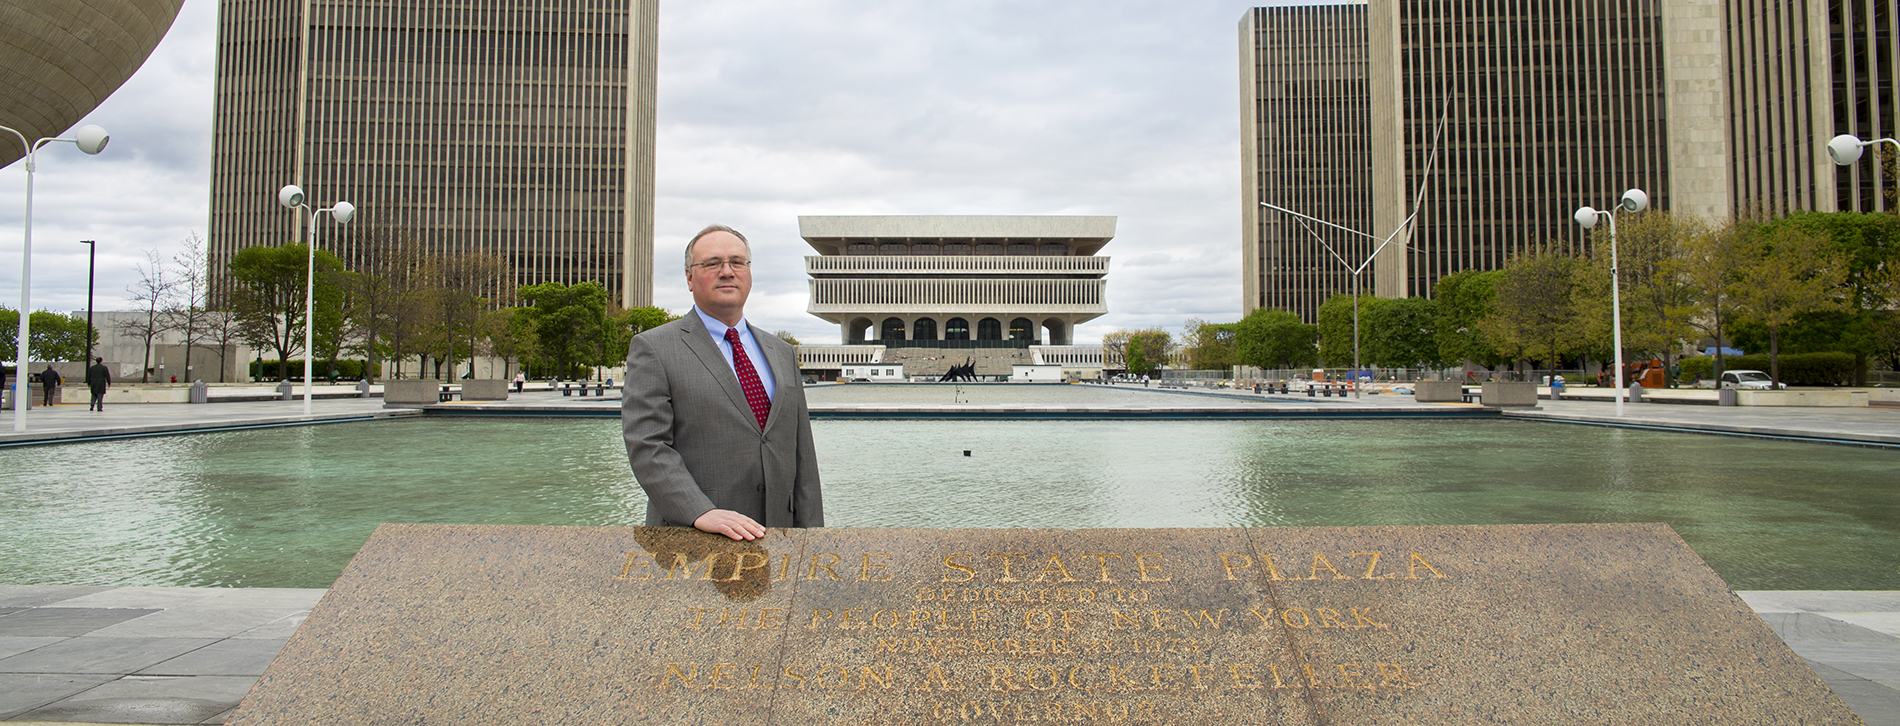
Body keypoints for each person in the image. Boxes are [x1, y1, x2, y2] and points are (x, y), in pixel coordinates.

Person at [621, 224, 823, 541]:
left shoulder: (780, 352)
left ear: (749, 273)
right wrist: (699, 512)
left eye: (737, 262)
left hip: (779, 538)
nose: (727, 272)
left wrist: (813, 539)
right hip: (693, 538)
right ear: (689, 277)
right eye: (712, 263)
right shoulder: (655, 348)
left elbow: (802, 457)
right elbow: (648, 446)